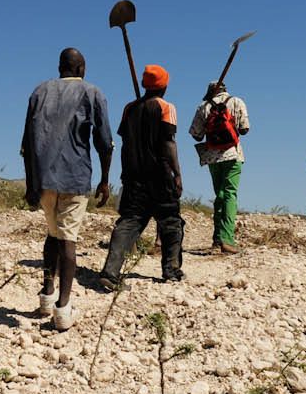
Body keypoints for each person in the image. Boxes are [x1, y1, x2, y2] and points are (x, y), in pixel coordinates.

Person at [21, 48, 113, 331]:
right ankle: (62, 308)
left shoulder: (39, 91)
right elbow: (104, 141)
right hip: (74, 177)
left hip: (44, 179)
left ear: (60, 67)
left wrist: (30, 184)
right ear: (82, 68)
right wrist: (105, 179)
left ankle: (46, 295)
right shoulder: (92, 92)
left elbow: (26, 143)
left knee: (52, 235)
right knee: (68, 240)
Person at [100, 65, 185, 289]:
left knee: (128, 222)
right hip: (160, 175)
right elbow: (169, 143)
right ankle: (171, 270)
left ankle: (110, 272)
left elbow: (126, 142)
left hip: (133, 175)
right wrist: (177, 174)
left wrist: (126, 172)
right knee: (170, 221)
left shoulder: (130, 108)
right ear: (164, 86)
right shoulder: (166, 107)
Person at [189, 82, 251, 254]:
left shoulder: (203, 106)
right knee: (230, 194)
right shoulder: (237, 101)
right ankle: (227, 239)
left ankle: (217, 239)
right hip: (233, 154)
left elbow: (196, 134)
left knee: (220, 194)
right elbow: (245, 129)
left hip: (212, 156)